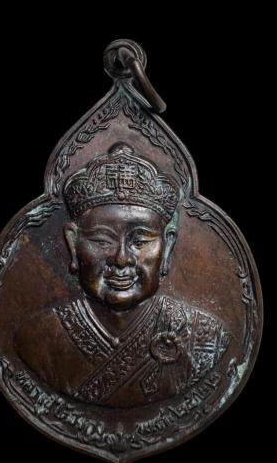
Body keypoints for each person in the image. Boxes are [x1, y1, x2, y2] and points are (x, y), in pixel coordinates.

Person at [14, 142, 230, 408]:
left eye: (139, 242)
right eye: (102, 240)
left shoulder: (205, 336)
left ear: (167, 246)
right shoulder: (38, 338)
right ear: (73, 243)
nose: (121, 259)